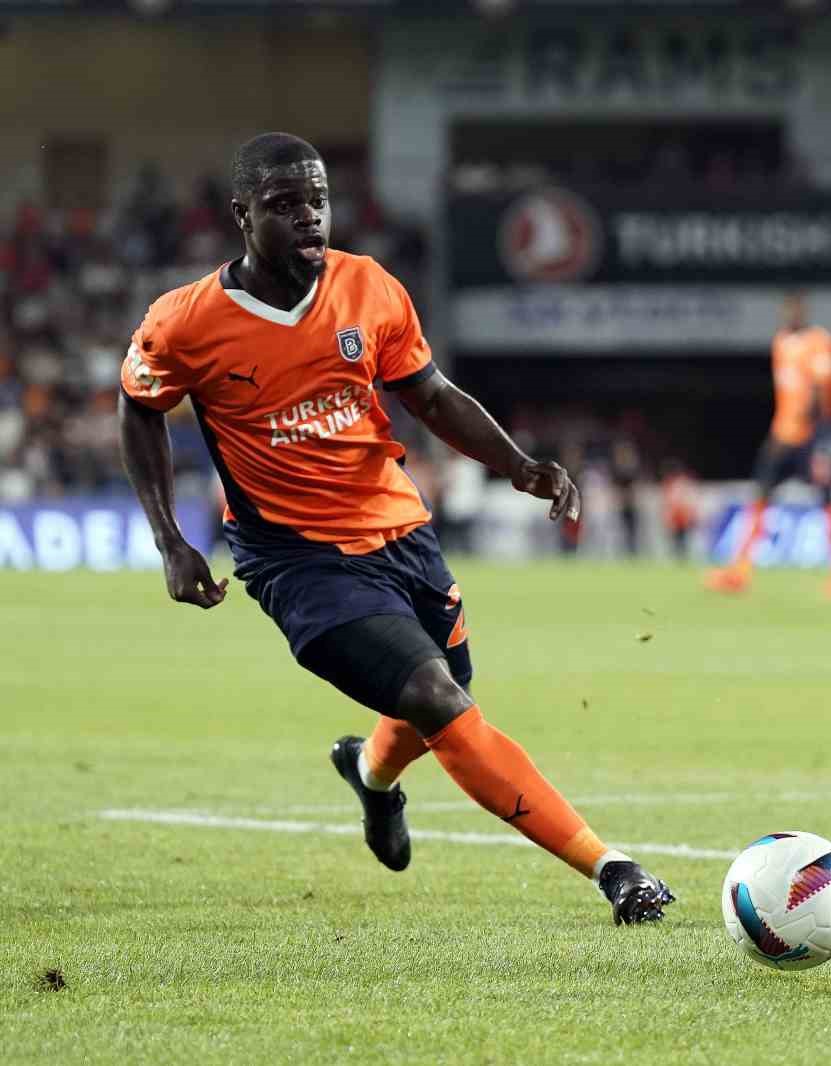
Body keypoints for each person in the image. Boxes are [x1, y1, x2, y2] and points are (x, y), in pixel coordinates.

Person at [118, 133, 674, 925]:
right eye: (284, 205)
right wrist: (171, 540)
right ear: (242, 214)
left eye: (318, 201)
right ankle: (613, 869)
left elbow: (432, 395)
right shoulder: (187, 321)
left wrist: (519, 465)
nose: (309, 217)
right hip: (295, 558)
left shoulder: (369, 287)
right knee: (436, 698)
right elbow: (139, 406)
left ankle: (371, 775)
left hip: (401, 531)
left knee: (444, 694)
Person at [705, 294, 831, 596]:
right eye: (787, 311)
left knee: (828, 500)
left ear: (804, 312)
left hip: (811, 438)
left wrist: (820, 444)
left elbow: (819, 394)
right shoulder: (781, 344)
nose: (790, 316)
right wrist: (779, 432)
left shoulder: (819, 342)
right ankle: (740, 571)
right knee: (760, 498)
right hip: (783, 436)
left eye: (795, 310)